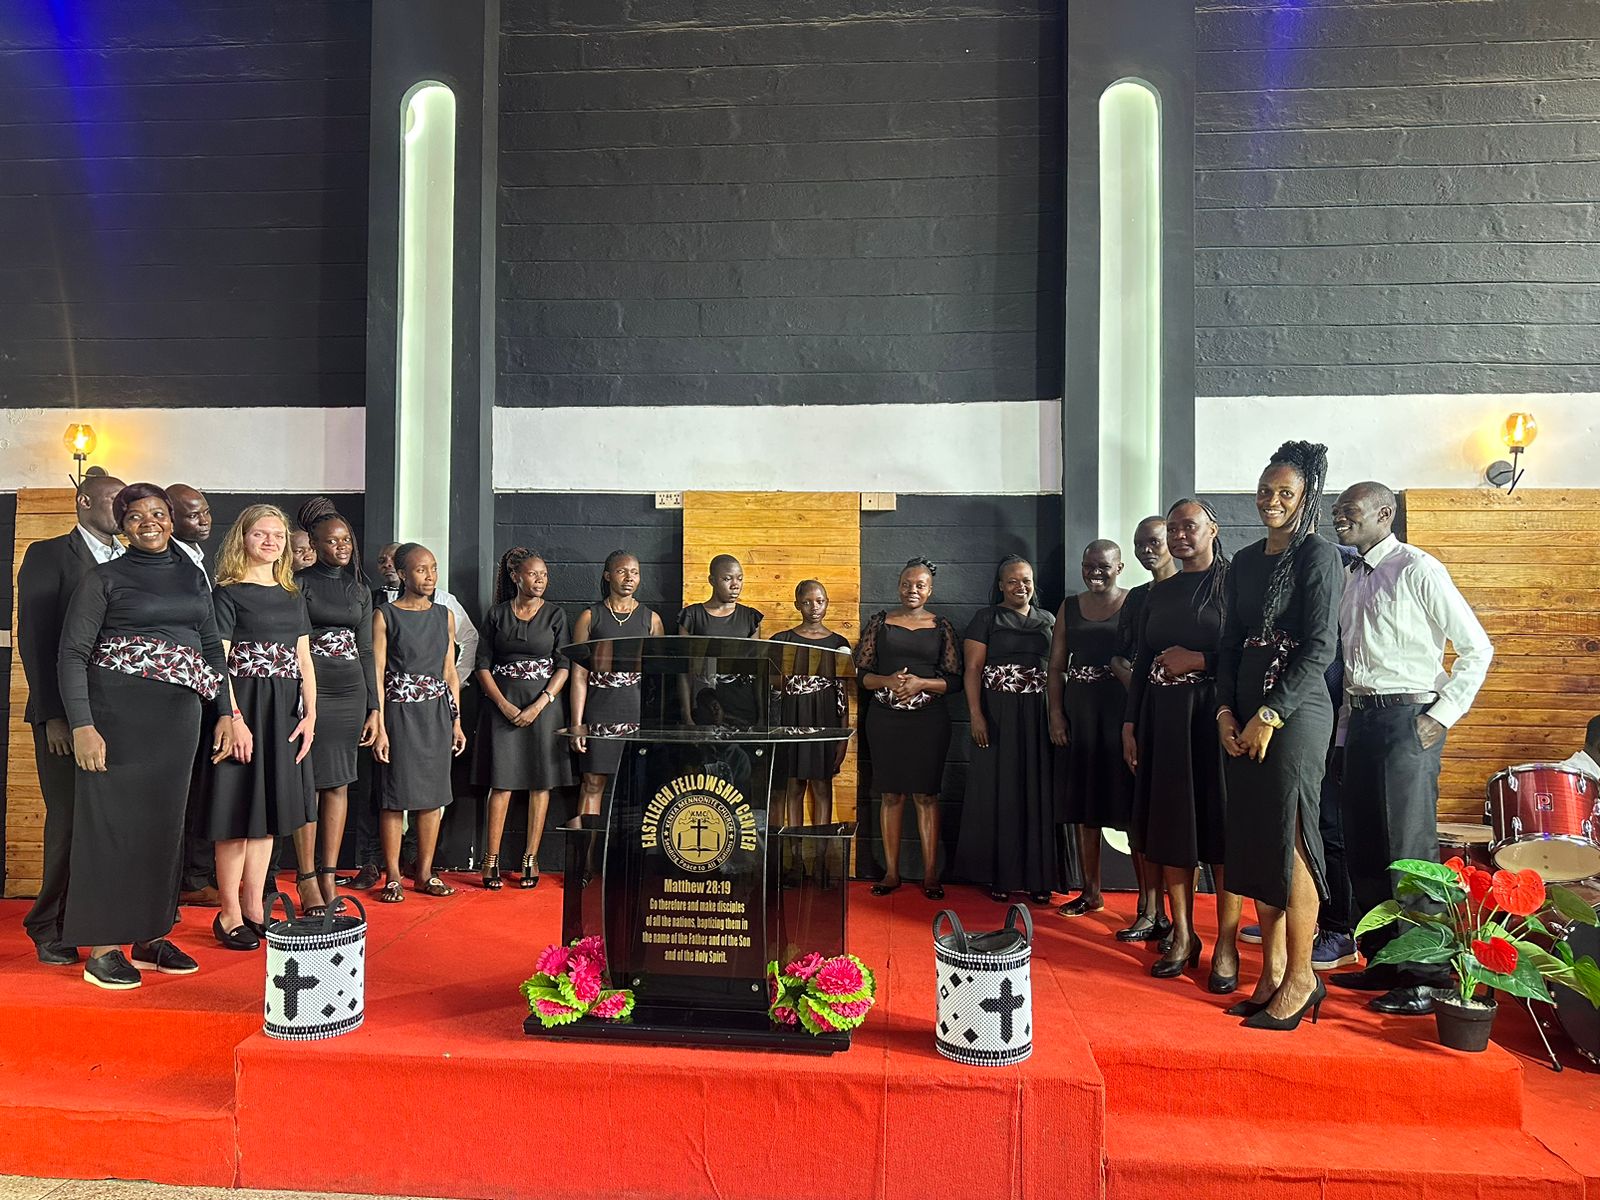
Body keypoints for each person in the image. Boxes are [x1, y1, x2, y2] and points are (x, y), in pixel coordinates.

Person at [57, 483, 233, 989]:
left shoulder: (192, 577)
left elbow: (209, 647)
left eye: (158, 513)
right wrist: (83, 725)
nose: (149, 522)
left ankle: (150, 935)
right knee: (110, 828)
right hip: (114, 716)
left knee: (164, 826)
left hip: (178, 719)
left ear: (172, 519)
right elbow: (71, 655)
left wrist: (225, 711)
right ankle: (104, 947)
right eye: (136, 516)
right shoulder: (103, 578)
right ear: (122, 524)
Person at [1330, 480, 1494, 1016]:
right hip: (1360, 720)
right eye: (1336, 511)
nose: (1339, 519)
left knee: (1409, 851)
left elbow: (1477, 648)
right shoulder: (1351, 574)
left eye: (1349, 511)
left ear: (1384, 513)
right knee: (1366, 847)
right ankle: (1383, 963)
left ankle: (1427, 978)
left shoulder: (1418, 567)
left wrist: (1440, 717)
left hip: (1408, 719)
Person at [1215, 442, 1343, 1030]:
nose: (1272, 501)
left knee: (1289, 838)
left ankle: (1301, 977)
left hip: (1295, 714)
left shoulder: (1318, 555)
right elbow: (1227, 645)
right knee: (1255, 842)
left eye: (1284, 493)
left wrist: (1270, 716)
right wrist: (1224, 712)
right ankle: (1268, 972)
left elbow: (1320, 647)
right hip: (1241, 710)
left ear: (1305, 497)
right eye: (1266, 490)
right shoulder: (1242, 562)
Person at [1123, 499, 1242, 990]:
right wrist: (1131, 724)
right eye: (1172, 528)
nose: (1178, 536)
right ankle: (1185, 935)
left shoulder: (1235, 583)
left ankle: (1228, 945)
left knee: (1220, 831)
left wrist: (1201, 660)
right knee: (1171, 830)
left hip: (1214, 719)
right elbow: (1143, 657)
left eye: (1188, 527)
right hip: (1161, 720)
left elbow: (1246, 654)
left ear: (1212, 529)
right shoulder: (1159, 592)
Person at [16, 471, 125, 965]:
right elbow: (35, 639)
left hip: (118, 714)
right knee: (68, 821)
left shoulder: (128, 558)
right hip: (67, 714)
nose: (122, 510)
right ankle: (46, 924)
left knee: (106, 823)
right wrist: (55, 715)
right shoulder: (49, 554)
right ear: (83, 502)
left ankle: (92, 919)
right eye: (113, 501)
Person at [209, 506, 318, 948]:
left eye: (278, 534)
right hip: (245, 708)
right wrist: (234, 718)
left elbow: (304, 659)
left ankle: (255, 907)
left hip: (284, 713)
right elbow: (219, 661)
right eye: (260, 533)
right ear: (243, 538)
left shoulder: (293, 594)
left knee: (269, 813)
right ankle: (228, 913)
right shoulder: (227, 593)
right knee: (237, 812)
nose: (271, 541)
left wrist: (311, 715)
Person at [855, 557, 961, 901]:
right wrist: (888, 680)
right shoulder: (880, 622)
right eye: (906, 583)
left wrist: (920, 683)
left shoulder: (941, 626)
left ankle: (931, 874)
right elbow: (861, 674)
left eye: (919, 585)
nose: (911, 590)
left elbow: (955, 680)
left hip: (928, 721)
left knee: (926, 795)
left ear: (930, 589)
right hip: (885, 719)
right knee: (890, 794)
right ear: (898, 585)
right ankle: (891, 873)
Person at [957, 555, 1058, 904]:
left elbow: (1058, 669)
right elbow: (972, 669)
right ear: (1001, 584)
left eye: (1027, 580)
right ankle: (999, 874)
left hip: (1039, 713)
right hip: (997, 713)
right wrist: (976, 715)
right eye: (1013, 580)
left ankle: (1039, 877)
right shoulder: (986, 618)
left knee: (1038, 791)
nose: (1021, 586)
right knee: (1001, 792)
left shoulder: (1048, 619)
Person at [294, 499, 379, 907]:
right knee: (308, 783)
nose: (342, 546)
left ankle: (329, 876)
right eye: (332, 541)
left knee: (339, 784)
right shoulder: (298, 583)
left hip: (349, 689)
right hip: (312, 686)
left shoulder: (359, 589)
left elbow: (367, 651)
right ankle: (306, 877)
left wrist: (375, 708)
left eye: (346, 539)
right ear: (314, 543)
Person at [473, 548, 574, 889]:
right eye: (533, 574)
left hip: (543, 709)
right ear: (516, 577)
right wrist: (503, 705)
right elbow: (482, 665)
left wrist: (540, 703)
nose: (540, 580)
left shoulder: (557, 615)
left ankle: (531, 857)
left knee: (539, 783)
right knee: (501, 783)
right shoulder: (497, 614)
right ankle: (491, 859)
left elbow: (563, 665)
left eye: (544, 574)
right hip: (502, 705)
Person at [372, 544, 468, 901]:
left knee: (432, 797)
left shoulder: (444, 615)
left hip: (436, 714)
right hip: (398, 714)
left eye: (433, 569)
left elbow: (449, 671)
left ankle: (425, 873)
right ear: (401, 574)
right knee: (394, 797)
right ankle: (393, 876)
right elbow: (378, 673)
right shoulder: (385, 615)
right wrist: (379, 724)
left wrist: (456, 722)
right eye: (420, 569)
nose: (429, 576)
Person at [1049, 541, 1131, 917]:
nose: (1094, 572)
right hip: (1079, 710)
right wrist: (1056, 714)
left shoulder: (1136, 602)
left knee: (1128, 803)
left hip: (1120, 710)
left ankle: (1149, 903)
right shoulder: (1070, 605)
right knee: (1084, 806)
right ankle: (1091, 891)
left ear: (1120, 567)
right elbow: (1056, 666)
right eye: (1088, 565)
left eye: (1103, 565)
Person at [1108, 516, 1178, 942]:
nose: (1146, 549)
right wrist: (1141, 684)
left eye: (1154, 540)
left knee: (1180, 821)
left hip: (1184, 717)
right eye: (1139, 543)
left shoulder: (1200, 587)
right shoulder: (1135, 599)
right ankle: (1149, 908)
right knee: (1141, 818)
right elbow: (1119, 656)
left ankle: (1181, 919)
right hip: (1140, 715)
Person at [569, 550, 665, 818]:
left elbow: (658, 676)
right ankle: (588, 858)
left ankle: (628, 859)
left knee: (636, 786)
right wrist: (578, 724)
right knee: (592, 782)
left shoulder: (652, 619)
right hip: (599, 710)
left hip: (635, 711)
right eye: (622, 571)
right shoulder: (590, 617)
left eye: (634, 572)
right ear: (608, 575)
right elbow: (578, 675)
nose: (629, 577)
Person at [167, 482, 220, 907]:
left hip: (202, 685)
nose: (203, 519)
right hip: (176, 690)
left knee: (200, 784)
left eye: (205, 511)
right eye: (192, 514)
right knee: (183, 788)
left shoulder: (198, 559)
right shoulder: (169, 562)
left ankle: (193, 874)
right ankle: (184, 878)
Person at [768, 580, 851, 841]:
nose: (814, 607)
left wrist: (842, 735)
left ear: (827, 603)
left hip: (825, 718)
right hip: (792, 717)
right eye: (807, 602)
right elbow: (772, 685)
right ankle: (794, 855)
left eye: (820, 601)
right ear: (797, 605)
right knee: (794, 785)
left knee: (823, 786)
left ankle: (822, 857)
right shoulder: (782, 640)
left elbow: (842, 693)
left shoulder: (839, 642)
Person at [679, 554, 764, 727]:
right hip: (705, 701)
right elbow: (683, 669)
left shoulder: (750, 617)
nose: (735, 585)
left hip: (742, 703)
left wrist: (762, 715)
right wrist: (686, 714)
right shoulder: (691, 616)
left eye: (740, 579)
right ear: (712, 580)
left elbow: (759, 670)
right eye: (727, 579)